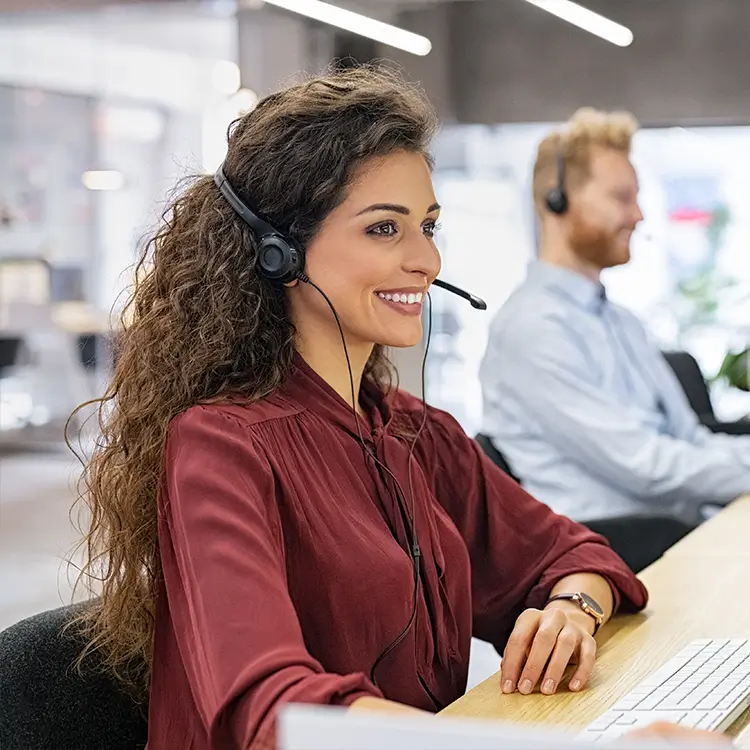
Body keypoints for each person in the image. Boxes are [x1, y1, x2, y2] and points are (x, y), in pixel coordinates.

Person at [68, 72, 725, 750]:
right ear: (280, 251)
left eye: (429, 226)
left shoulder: (414, 432)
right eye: (385, 228)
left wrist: (571, 609)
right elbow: (275, 715)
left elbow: (574, 552)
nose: (426, 260)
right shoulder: (219, 447)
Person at [479, 108, 750, 555]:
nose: (639, 215)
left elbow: (690, 440)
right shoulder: (532, 331)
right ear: (557, 201)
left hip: (679, 535)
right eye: (622, 197)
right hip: (613, 551)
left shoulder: (622, 323)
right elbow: (646, 468)